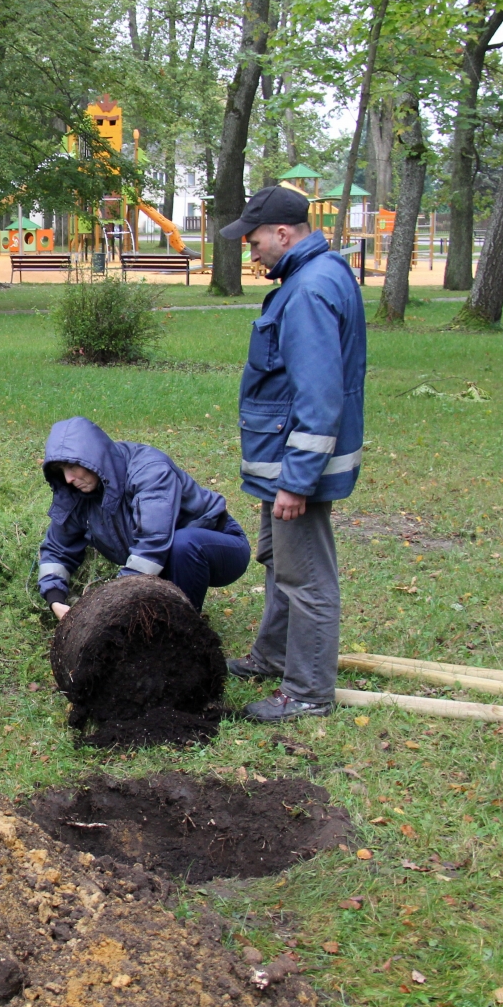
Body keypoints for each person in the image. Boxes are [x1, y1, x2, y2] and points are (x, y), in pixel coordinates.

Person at [220, 186, 366, 723]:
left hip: (295, 467)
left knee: (306, 578)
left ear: (283, 234)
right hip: (281, 462)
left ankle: (306, 691)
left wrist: (295, 481)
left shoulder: (308, 290)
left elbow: (320, 395)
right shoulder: (312, 276)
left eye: (255, 241)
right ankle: (273, 656)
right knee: (281, 563)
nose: (251, 251)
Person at [38, 417, 251, 615]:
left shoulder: (150, 471)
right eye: (62, 470)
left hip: (220, 546)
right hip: (161, 564)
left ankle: (183, 627)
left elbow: (152, 544)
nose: (68, 478)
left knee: (183, 544)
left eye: (73, 467)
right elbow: (58, 549)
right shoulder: (76, 493)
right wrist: (56, 601)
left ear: (94, 458)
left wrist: (109, 601)